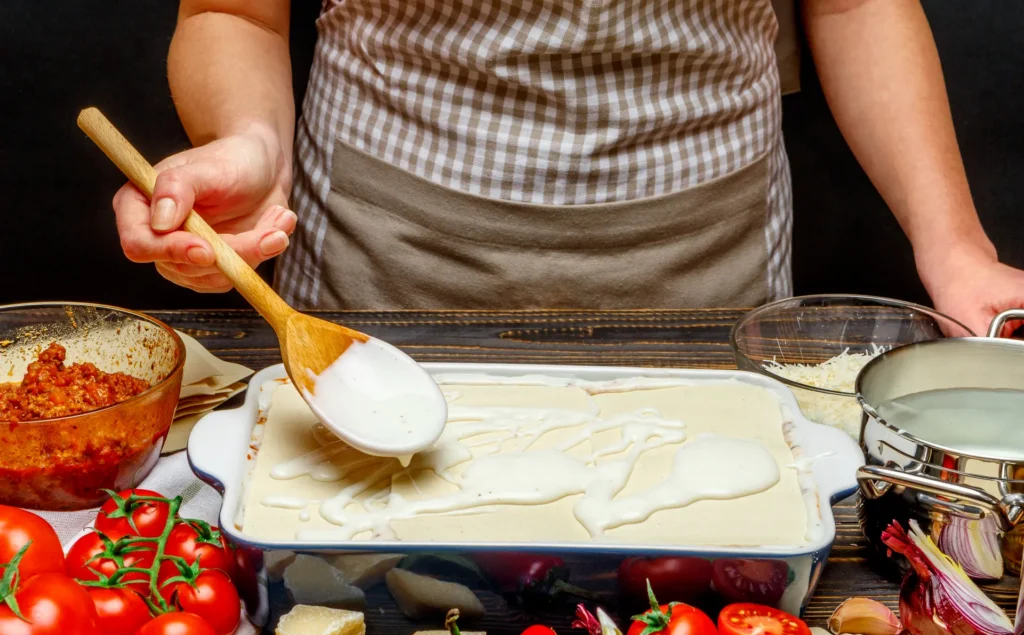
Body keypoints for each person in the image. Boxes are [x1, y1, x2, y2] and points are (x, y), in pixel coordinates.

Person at [112, 0, 1024, 335]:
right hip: (384, 272)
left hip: (709, 289)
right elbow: (237, 12)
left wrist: (955, 246)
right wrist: (252, 146)